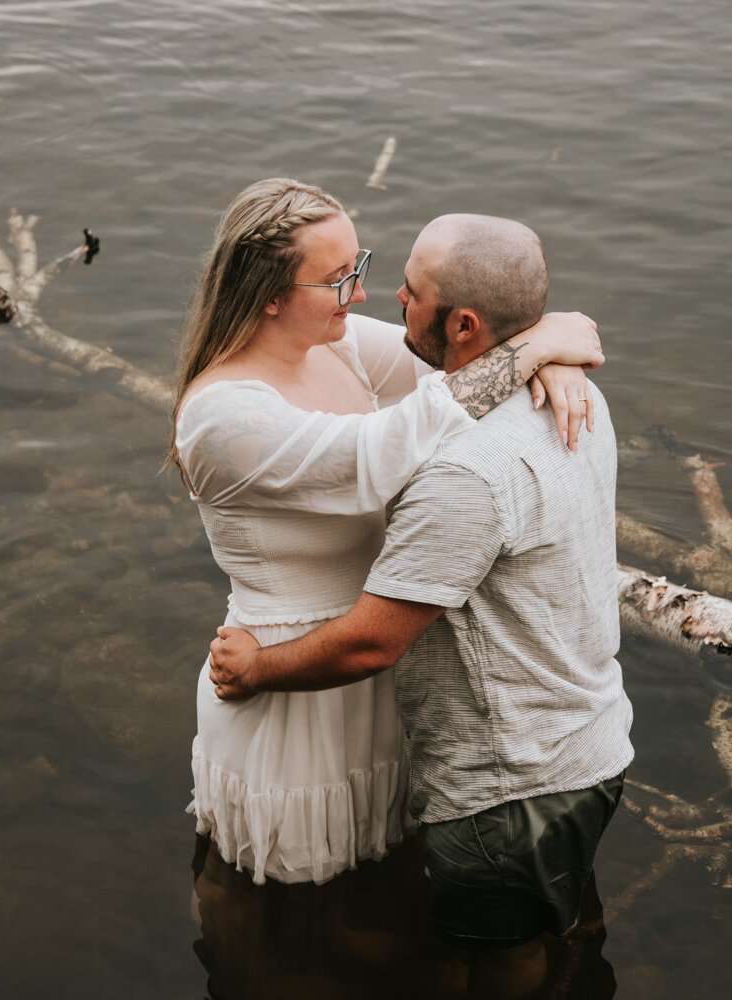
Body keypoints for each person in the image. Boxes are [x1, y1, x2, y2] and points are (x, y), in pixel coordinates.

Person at [207, 213, 632, 999]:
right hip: (595, 734)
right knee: (554, 918)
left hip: (510, 781)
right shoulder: (582, 401)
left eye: (411, 290)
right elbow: (409, 407)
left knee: (496, 959)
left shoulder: (464, 474)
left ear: (463, 325)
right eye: (350, 275)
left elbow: (372, 641)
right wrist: (545, 342)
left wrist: (258, 667)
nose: (383, 295)